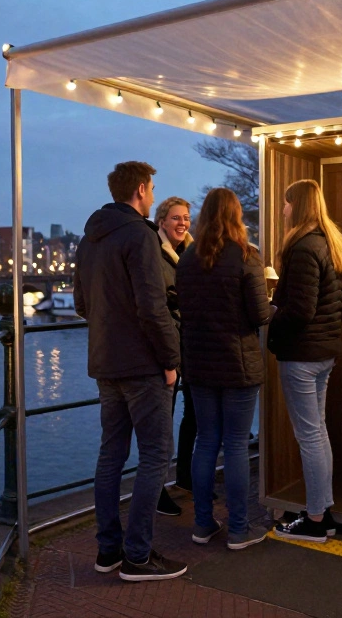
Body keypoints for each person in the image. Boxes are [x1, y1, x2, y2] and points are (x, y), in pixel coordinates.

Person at [74, 161, 186, 582]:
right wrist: (170, 360)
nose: (154, 194)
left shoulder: (89, 239)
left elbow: (82, 305)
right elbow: (152, 306)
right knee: (156, 453)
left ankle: (109, 551)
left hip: (105, 363)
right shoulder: (140, 235)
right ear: (141, 189)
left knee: (111, 454)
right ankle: (138, 555)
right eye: (153, 188)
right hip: (143, 365)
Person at [176, 188, 272, 550]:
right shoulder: (246, 257)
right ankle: (238, 529)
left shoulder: (187, 260)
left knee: (205, 441)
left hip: (199, 366)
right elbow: (260, 315)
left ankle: (202, 524)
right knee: (234, 445)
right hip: (238, 365)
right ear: (236, 216)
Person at [269, 178, 342, 543]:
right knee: (318, 431)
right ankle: (324, 510)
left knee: (309, 436)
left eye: (286, 204)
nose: (283, 210)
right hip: (324, 352)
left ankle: (315, 519)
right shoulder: (331, 243)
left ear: (297, 205)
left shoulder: (303, 248)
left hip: (301, 354)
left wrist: (272, 314)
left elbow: (301, 310)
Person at [154, 196, 194, 517]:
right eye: (176, 218)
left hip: (192, 343)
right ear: (162, 221)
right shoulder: (154, 252)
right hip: (169, 345)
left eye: (186, 218)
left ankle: (186, 476)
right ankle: (156, 492)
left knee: (194, 411)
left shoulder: (192, 252)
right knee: (162, 421)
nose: (182, 223)